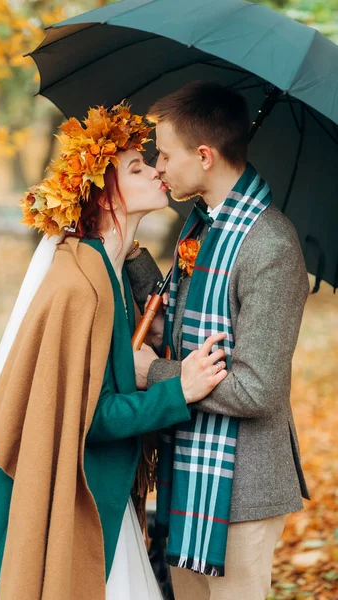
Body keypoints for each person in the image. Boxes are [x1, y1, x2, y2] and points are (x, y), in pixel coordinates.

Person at [0, 103, 228, 600]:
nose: (156, 168)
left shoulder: (106, 272)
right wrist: (176, 389)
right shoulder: (79, 285)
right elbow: (85, 417)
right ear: (103, 195)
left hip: (93, 489)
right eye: (136, 168)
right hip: (62, 490)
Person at [129, 82, 310, 600]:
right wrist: (129, 245)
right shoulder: (204, 227)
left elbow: (258, 390)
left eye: (164, 154)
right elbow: (188, 328)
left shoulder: (269, 243)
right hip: (188, 474)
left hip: (241, 488)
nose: (157, 166)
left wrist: (154, 374)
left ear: (204, 156)